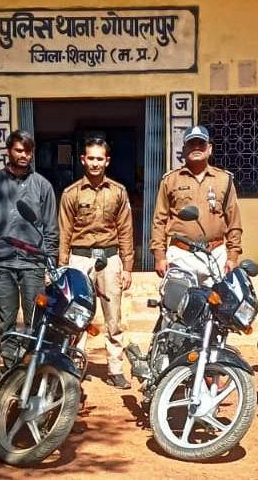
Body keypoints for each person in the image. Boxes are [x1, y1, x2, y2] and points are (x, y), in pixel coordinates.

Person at [57, 135, 134, 389]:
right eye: (90, 158)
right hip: (80, 259)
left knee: (114, 317)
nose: (95, 163)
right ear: (83, 159)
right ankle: (76, 365)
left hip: (110, 259)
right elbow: (65, 232)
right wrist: (63, 268)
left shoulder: (118, 192)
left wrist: (127, 267)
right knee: (76, 315)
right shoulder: (71, 193)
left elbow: (125, 230)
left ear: (107, 161)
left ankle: (115, 369)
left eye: (100, 159)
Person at [0, 130, 59, 340]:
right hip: (2, 262)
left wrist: (50, 264)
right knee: (6, 320)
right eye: (18, 150)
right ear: (8, 151)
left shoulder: (43, 185)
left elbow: (51, 228)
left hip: (33, 263)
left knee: (35, 320)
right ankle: (8, 359)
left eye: (28, 151)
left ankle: (31, 359)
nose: (23, 155)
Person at [151, 125, 241, 285]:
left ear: (210, 148)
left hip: (216, 254)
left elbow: (234, 221)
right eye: (192, 144)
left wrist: (232, 256)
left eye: (201, 143)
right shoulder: (170, 180)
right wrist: (159, 255)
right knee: (179, 300)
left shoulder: (224, 180)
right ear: (184, 149)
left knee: (218, 299)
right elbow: (159, 221)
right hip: (181, 255)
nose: (197, 147)